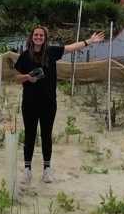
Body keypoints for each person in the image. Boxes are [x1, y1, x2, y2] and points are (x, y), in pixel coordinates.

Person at [14, 23, 105, 184]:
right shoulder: (24, 56)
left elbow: (70, 48)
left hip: (49, 103)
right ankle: (27, 170)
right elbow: (16, 77)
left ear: (45, 38)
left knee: (46, 135)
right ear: (31, 37)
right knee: (29, 135)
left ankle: (47, 170)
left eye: (41, 35)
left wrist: (89, 41)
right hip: (29, 103)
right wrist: (28, 77)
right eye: (36, 35)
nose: (38, 37)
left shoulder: (51, 52)